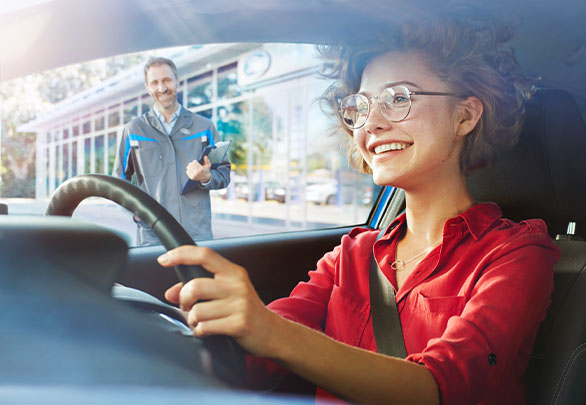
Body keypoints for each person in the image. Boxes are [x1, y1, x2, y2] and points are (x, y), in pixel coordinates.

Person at [158, 14, 560, 404]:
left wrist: (271, 332)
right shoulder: (351, 255)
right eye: (361, 107)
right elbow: (253, 361)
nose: (371, 125)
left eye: (399, 98)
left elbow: (441, 388)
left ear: (466, 115)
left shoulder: (516, 256)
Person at [113, 57, 230, 246]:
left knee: (197, 277)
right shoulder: (134, 130)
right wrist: (135, 212)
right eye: (155, 83)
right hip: (153, 236)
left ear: (177, 81)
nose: (162, 88)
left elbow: (223, 174)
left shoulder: (204, 127)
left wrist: (206, 177)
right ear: (148, 87)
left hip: (196, 235)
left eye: (167, 80)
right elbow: (119, 180)